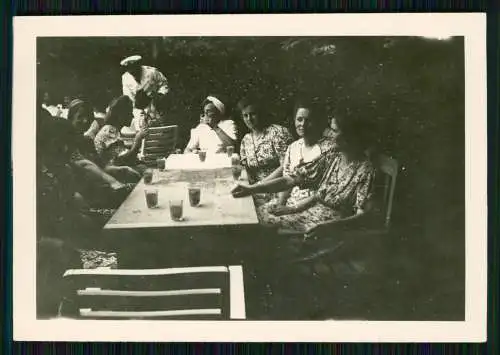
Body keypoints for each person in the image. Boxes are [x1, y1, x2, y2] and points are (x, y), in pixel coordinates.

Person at [231, 111, 377, 239]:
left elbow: (362, 216)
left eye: (334, 130)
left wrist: (328, 227)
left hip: (329, 226)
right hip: (311, 212)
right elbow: (291, 180)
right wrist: (252, 189)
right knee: (257, 216)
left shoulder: (366, 170)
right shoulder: (332, 156)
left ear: (349, 136)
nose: (329, 134)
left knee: (259, 224)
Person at [238, 97, 293, 185]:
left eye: (253, 114)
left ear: (261, 113)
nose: (249, 119)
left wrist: (260, 184)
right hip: (255, 188)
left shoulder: (278, 132)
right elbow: (244, 167)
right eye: (245, 115)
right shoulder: (246, 140)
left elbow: (286, 165)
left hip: (278, 186)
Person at [93, 95, 146, 182]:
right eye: (129, 112)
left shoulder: (111, 129)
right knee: (146, 171)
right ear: (121, 115)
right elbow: (126, 160)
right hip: (110, 176)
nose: (132, 116)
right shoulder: (110, 131)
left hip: (112, 171)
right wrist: (138, 139)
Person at [120, 55, 169, 127]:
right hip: (139, 110)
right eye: (129, 70)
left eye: (134, 68)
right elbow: (129, 98)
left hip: (156, 105)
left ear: (138, 65)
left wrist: (160, 95)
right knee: (142, 130)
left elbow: (164, 84)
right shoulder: (125, 78)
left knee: (160, 129)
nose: (133, 72)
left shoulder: (151, 72)